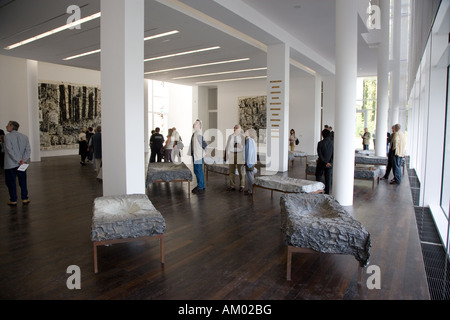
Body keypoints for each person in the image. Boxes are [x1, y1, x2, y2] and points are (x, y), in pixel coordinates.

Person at [4, 121, 31, 205]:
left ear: (12, 126)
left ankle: (13, 199)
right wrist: (23, 159)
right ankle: (25, 198)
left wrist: (17, 160)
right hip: (22, 163)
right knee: (22, 181)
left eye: (8, 125)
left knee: (11, 182)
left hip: (11, 164)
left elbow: (9, 150)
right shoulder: (24, 137)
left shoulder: (7, 137)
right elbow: (28, 150)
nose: (6, 126)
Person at [224, 124, 246, 192]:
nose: (235, 130)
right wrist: (226, 156)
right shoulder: (230, 136)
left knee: (241, 171)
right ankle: (232, 185)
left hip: (240, 154)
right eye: (234, 129)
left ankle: (242, 185)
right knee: (231, 171)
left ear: (239, 129)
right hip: (232, 154)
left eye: (236, 129)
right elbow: (227, 146)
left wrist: (240, 147)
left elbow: (245, 148)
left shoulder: (242, 137)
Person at [190, 119, 207, 194]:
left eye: (196, 123)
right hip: (195, 155)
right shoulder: (195, 134)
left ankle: (201, 187)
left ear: (199, 126)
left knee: (199, 171)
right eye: (194, 123)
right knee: (196, 171)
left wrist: (204, 154)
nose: (194, 124)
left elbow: (204, 145)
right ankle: (200, 185)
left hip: (198, 156)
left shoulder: (199, 134)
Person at [315, 129, 333, 195]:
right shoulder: (332, 143)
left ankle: (320, 191)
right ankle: (327, 194)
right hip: (330, 164)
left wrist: (325, 162)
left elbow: (320, 155)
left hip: (321, 163)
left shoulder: (320, 143)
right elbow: (333, 155)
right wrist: (330, 163)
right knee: (328, 179)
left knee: (318, 175)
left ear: (322, 135)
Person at [244, 128, 257, 196]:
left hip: (249, 161)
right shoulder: (251, 140)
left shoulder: (249, 140)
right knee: (249, 176)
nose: (245, 132)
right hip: (251, 161)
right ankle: (250, 190)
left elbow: (248, 152)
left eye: (246, 131)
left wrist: (246, 161)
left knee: (250, 177)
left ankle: (251, 191)